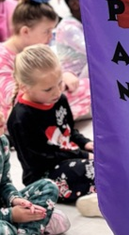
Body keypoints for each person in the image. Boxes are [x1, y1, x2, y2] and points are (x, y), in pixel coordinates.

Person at [7, 45, 100, 217]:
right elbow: (40, 160)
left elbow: (69, 133)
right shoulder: (21, 118)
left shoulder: (59, 99)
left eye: (59, 83)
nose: (57, 91)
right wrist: (83, 155)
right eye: (48, 89)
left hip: (70, 157)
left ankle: (102, 195)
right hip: (45, 174)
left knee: (110, 156)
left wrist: (88, 145)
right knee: (94, 168)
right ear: (25, 87)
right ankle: (101, 201)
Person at [0, 110, 71, 235]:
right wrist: (11, 215)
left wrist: (16, 199)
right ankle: (37, 225)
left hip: (5, 209)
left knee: (48, 186)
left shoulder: (2, 143)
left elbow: (4, 183)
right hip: (4, 220)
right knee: (5, 232)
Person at [0, 0, 87, 124]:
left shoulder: (38, 48)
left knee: (89, 87)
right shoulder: (3, 56)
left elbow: (54, 71)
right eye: (46, 31)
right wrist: (58, 83)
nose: (50, 37)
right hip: (21, 115)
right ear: (25, 31)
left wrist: (64, 75)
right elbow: (14, 100)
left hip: (45, 97)